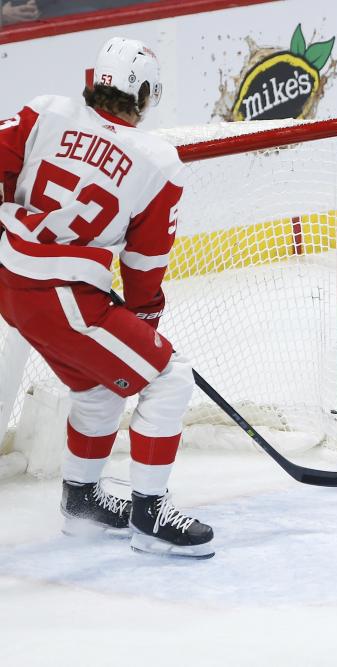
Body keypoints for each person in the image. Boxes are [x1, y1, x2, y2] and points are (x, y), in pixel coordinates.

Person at [0, 37, 214, 559]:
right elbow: (145, 262)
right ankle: (150, 511)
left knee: (100, 389)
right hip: (63, 295)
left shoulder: (45, 111)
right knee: (169, 378)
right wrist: (143, 320)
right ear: (143, 95)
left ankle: (82, 503)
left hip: (13, 279)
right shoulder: (158, 160)